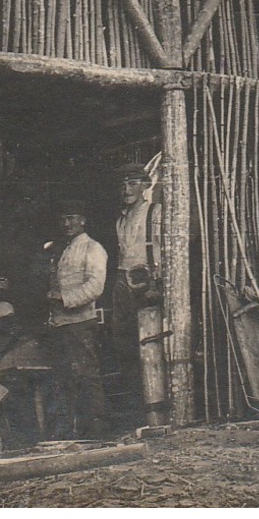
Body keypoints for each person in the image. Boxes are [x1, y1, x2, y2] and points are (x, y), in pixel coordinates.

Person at [46, 199, 108, 438]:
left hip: (81, 322)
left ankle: (96, 431)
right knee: (64, 378)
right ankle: (68, 433)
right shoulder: (62, 249)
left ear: (83, 220)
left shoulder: (92, 248)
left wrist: (64, 298)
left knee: (87, 376)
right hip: (60, 324)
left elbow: (95, 287)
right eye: (63, 219)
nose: (67, 223)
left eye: (72, 218)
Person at [110, 163, 159, 387]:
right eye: (123, 185)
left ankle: (155, 391)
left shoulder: (156, 212)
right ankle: (135, 393)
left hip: (147, 280)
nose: (126, 190)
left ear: (145, 186)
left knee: (150, 338)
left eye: (132, 184)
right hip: (123, 281)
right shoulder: (120, 220)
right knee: (123, 338)